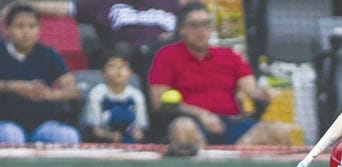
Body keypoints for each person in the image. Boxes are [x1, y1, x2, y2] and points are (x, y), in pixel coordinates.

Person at [148, 1, 292, 154]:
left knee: (279, 131)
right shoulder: (167, 55)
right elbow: (159, 101)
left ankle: (232, 161)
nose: (201, 30)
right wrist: (201, 114)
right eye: (194, 25)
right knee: (183, 128)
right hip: (193, 122)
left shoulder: (230, 56)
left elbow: (251, 90)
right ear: (182, 29)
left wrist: (263, 94)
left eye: (206, 24)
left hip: (232, 124)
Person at [16, 0, 181, 80]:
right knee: (124, 49)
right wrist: (21, 6)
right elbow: (64, 8)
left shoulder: (171, 4)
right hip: (125, 60)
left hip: (165, 58)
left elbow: (191, 24)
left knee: (165, 50)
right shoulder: (105, 3)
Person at [0, 3, 80, 144]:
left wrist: (50, 94)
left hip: (44, 126)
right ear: (7, 29)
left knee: (69, 136)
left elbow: (72, 90)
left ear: (39, 29)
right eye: (20, 26)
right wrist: (13, 86)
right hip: (5, 124)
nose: (26, 32)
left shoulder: (49, 54)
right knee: (12, 136)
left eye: (32, 26)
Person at [81, 50, 148, 143]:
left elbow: (140, 127)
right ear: (103, 73)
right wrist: (109, 136)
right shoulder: (96, 93)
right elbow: (95, 130)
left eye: (123, 66)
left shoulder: (137, 95)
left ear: (130, 72)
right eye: (112, 66)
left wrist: (138, 134)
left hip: (130, 142)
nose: (118, 70)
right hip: (102, 142)